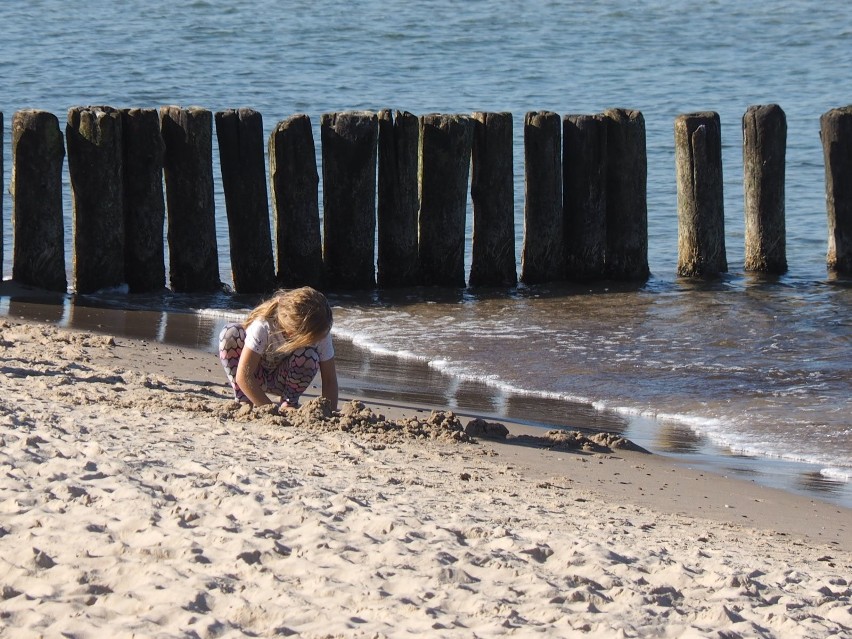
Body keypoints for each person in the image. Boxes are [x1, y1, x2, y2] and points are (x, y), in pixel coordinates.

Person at [218, 287, 338, 411]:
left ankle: (289, 403)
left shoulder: (320, 332)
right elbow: (243, 375)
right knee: (230, 333)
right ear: (292, 333)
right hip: (253, 378)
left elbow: (329, 380)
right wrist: (269, 408)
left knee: (309, 356)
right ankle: (244, 398)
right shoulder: (263, 326)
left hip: (283, 381)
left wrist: (330, 412)